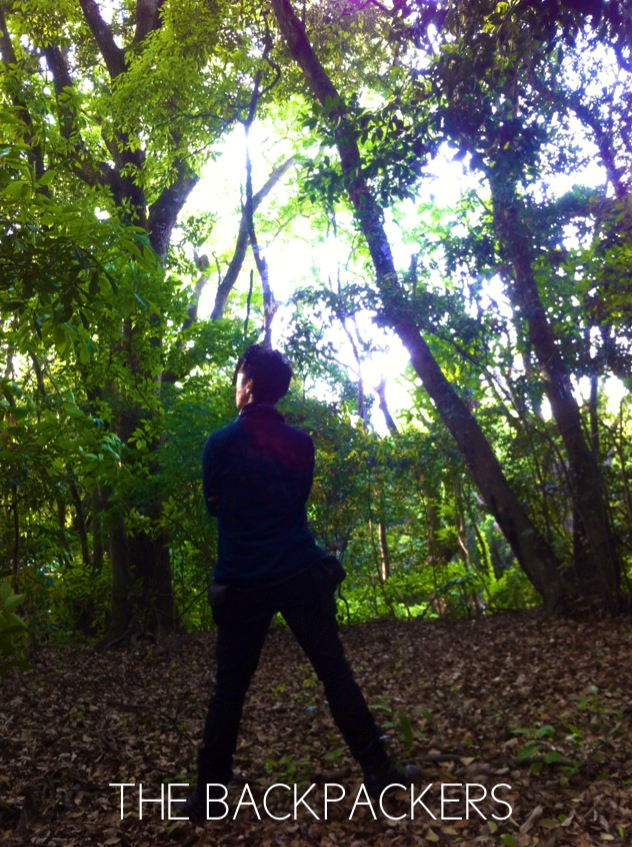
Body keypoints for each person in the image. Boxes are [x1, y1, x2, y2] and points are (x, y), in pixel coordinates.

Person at [182, 344, 417, 824]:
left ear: (249, 384)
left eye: (238, 378)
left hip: (242, 579)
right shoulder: (302, 445)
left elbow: (213, 505)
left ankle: (208, 794)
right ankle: (379, 770)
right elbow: (297, 501)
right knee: (335, 673)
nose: (235, 386)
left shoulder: (218, 444)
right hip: (297, 570)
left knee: (230, 688)